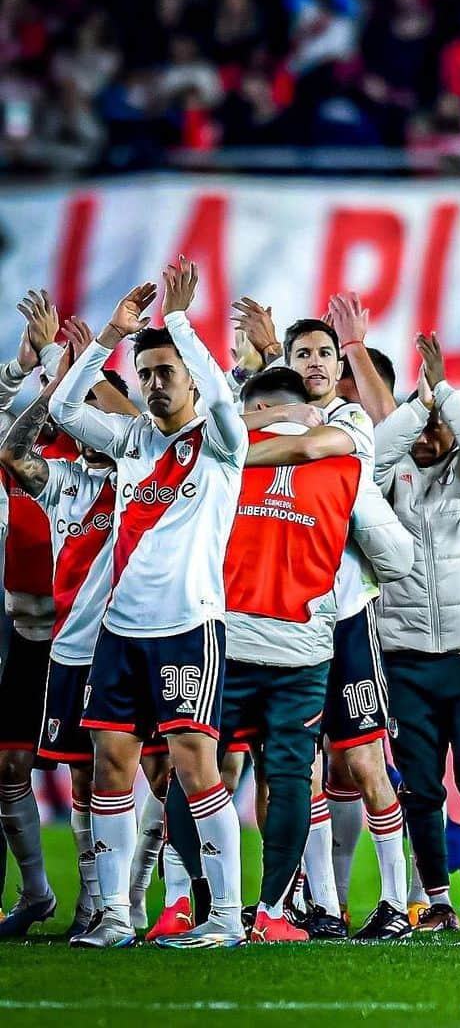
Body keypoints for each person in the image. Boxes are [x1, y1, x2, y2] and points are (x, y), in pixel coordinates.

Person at [164, 366, 411, 942]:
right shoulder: (345, 464)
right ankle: (274, 912)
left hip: (224, 637)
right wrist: (342, 572)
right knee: (292, 776)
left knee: (195, 766)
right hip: (305, 645)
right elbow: (398, 557)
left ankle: (190, 904)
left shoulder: (217, 454)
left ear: (251, 407)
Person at [48, 258, 248, 949]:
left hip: (189, 628)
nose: (157, 383)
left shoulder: (223, 447)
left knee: (195, 769)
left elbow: (223, 401)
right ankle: (112, 915)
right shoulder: (133, 442)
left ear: (191, 373)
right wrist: (107, 336)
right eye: (149, 373)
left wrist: (185, 324)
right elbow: (62, 410)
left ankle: (223, 916)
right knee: (109, 766)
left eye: (168, 372)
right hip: (118, 634)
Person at [234, 297, 410, 939]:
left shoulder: (352, 427)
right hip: (276, 617)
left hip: (342, 615)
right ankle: (320, 906)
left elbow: (354, 496)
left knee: (360, 761)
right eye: (300, 353)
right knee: (293, 767)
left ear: (339, 367)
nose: (312, 362)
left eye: (322, 353)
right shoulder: (266, 420)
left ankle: (399, 900)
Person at [0, 314, 139, 938]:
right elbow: (12, 448)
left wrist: (85, 356)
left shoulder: (138, 470)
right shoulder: (61, 477)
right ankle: (79, 900)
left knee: (152, 771)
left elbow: (141, 423)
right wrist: (53, 377)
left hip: (134, 639)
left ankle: (131, 903)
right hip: (54, 642)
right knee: (74, 772)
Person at [374, 331, 460, 932]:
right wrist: (420, 405)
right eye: (422, 426)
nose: (431, 436)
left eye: (440, 426)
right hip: (405, 658)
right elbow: (376, 453)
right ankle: (436, 903)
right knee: (421, 790)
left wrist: (445, 392)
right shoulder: (385, 481)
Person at [0, 290, 70, 938]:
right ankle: (37, 893)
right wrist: (22, 369)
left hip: (83, 641)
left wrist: (57, 366)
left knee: (99, 767)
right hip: (26, 637)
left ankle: (118, 905)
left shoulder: (98, 465)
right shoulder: (16, 474)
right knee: (10, 769)